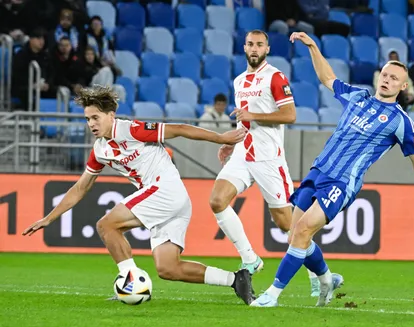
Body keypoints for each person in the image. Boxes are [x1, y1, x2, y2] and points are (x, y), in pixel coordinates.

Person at [251, 32, 414, 308]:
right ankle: (327, 278)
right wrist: (313, 47)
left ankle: (272, 294)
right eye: (385, 75)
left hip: (342, 182)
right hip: (318, 171)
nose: (387, 80)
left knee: (304, 229)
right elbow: (327, 78)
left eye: (394, 78)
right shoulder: (358, 96)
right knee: (294, 233)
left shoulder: (401, 122)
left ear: (403, 86)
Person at [22, 85, 256, 305]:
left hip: (165, 189)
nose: (91, 124)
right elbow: (81, 187)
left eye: (96, 117)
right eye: (87, 119)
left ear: (111, 115)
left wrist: (221, 138)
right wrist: (49, 219)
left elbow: (180, 129)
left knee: (106, 226)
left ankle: (129, 281)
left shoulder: (131, 129)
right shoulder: (100, 150)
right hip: (170, 200)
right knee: (168, 268)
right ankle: (236, 280)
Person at [208, 29, 321, 297]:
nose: (255, 49)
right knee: (217, 200)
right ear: (244, 48)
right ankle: (250, 258)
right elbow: (243, 118)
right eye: (250, 44)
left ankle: (316, 272)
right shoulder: (238, 81)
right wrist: (231, 141)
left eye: (260, 44)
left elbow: (290, 114)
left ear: (267, 49)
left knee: (287, 224)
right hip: (243, 154)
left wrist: (253, 115)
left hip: (268, 158)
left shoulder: (275, 76)